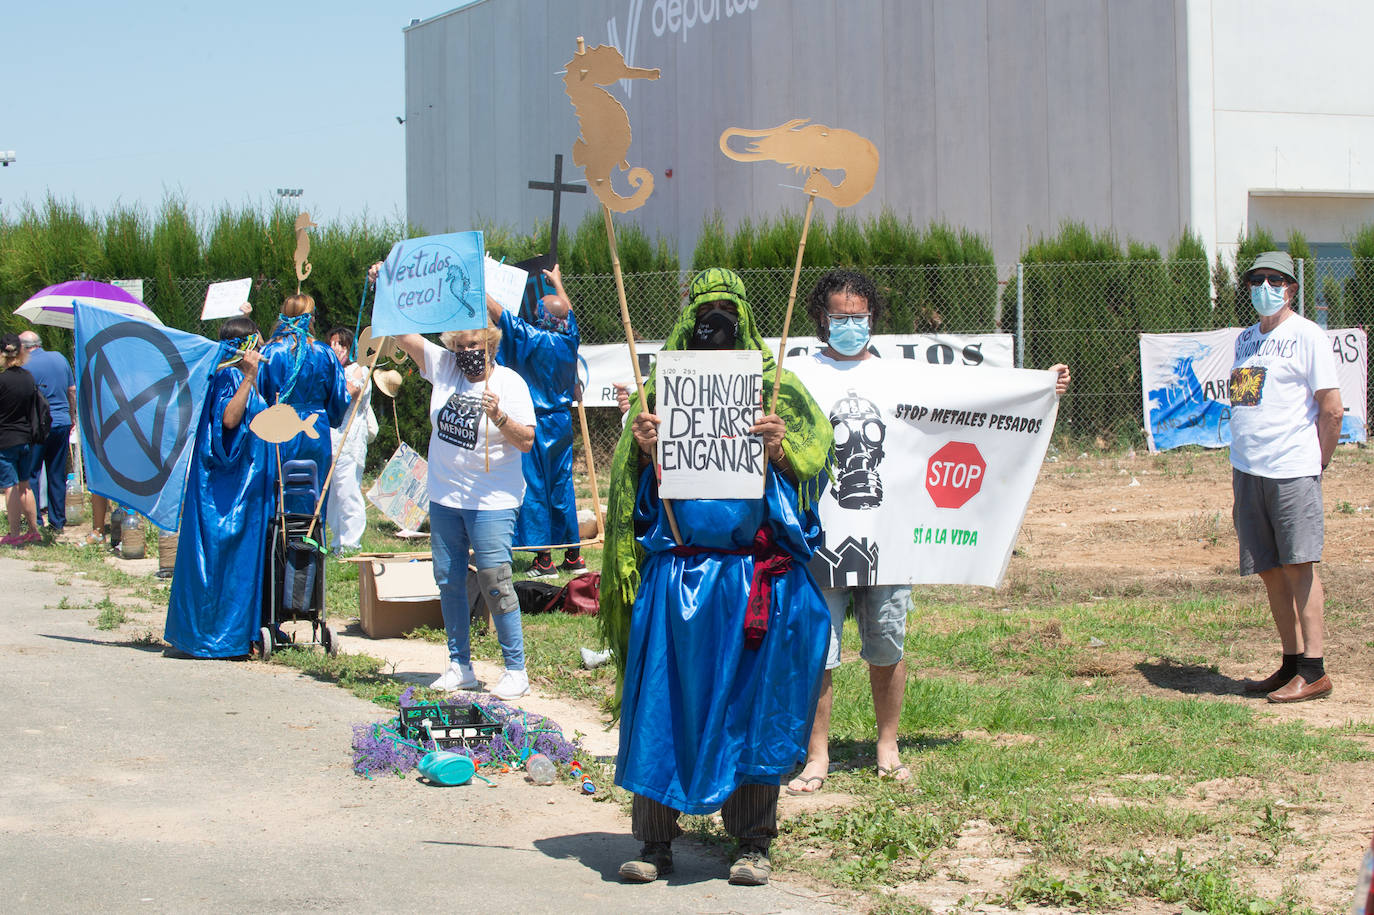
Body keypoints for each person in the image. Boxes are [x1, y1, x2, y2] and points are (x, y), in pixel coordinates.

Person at [785, 268, 1072, 793]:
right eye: (839, 316)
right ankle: (816, 755)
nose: (850, 325)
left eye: (859, 316)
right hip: (819, 535)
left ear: (873, 318)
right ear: (821, 320)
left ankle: (887, 747)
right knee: (815, 650)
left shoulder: (903, 374)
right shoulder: (799, 374)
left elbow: (977, 393)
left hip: (891, 537)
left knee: (887, 643)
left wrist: (1040, 385)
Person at [602, 267, 834, 887]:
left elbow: (814, 476)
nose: (716, 324)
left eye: (727, 311)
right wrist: (646, 449)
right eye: (705, 312)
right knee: (664, 703)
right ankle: (653, 843)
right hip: (678, 580)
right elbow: (634, 501)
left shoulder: (776, 389)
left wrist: (780, 450)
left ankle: (753, 841)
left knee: (751, 707)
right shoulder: (661, 394)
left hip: (750, 580)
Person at [368, 258, 539, 701]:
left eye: (474, 346)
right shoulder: (442, 366)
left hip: (494, 498)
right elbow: (400, 331)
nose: (466, 354)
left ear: (491, 346)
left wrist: (499, 415)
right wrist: (384, 285)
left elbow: (526, 442)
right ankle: (458, 664)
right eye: (459, 345)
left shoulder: (513, 384)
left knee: (495, 577)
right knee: (448, 579)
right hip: (445, 496)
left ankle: (515, 667)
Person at [1231, 251, 1342, 703]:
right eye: (1256, 279)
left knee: (1299, 565)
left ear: (1292, 288)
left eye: (1274, 279)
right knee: (1270, 570)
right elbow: (1246, 401)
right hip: (1249, 470)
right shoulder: (1244, 339)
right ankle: (1291, 663)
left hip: (1293, 470)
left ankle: (1314, 670)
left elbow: (1331, 409)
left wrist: (1317, 463)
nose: (1264, 286)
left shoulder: (1307, 335)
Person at [164, 317, 274, 658]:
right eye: (256, 343)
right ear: (247, 346)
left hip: (246, 484)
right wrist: (252, 377)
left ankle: (237, 634)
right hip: (225, 491)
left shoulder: (238, 375)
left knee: (238, 564)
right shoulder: (228, 375)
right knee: (217, 557)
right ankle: (212, 638)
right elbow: (229, 419)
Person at [488, 260, 585, 577]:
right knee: (562, 486)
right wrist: (557, 283)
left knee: (534, 488)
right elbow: (566, 311)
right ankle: (573, 556)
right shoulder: (570, 338)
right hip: (561, 423)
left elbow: (499, 314)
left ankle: (543, 560)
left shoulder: (531, 337)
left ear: (542, 317)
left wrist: (477, 286)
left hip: (535, 422)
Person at [257, 294, 351, 527]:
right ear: (311, 318)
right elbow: (339, 397)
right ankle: (310, 543)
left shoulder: (271, 352)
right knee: (314, 490)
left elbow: (260, 394)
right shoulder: (324, 353)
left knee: (279, 488)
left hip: (278, 425)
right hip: (314, 430)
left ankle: (278, 545)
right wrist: (331, 415)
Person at [324, 327, 377, 553]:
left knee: (348, 491)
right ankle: (338, 542)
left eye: (341, 344)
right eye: (332, 343)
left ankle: (351, 542)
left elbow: (346, 395)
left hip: (349, 440)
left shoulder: (359, 369)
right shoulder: (328, 370)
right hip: (330, 439)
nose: (336, 348)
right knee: (334, 496)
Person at [19, 331, 75, 534]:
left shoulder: (25, 366)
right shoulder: (60, 358)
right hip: (61, 422)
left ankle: (36, 523)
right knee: (56, 473)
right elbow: (72, 390)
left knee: (31, 473)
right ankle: (58, 522)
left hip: (37, 426)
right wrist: (72, 417)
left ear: (24, 347)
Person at [0, 334, 42, 546]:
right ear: (22, 351)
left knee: (10, 486)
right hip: (26, 438)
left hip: (5, 439)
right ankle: (34, 530)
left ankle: (14, 534)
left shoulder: (2, 380)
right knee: (25, 485)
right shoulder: (28, 378)